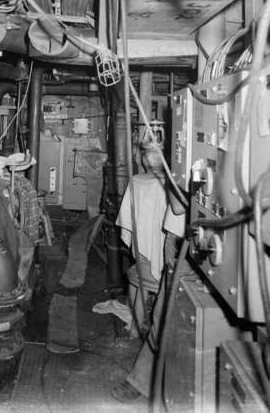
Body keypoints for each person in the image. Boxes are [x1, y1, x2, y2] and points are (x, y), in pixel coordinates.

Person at [112, 142, 186, 403]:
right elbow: (174, 224)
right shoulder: (177, 180)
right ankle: (141, 380)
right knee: (162, 316)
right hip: (184, 251)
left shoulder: (141, 182)